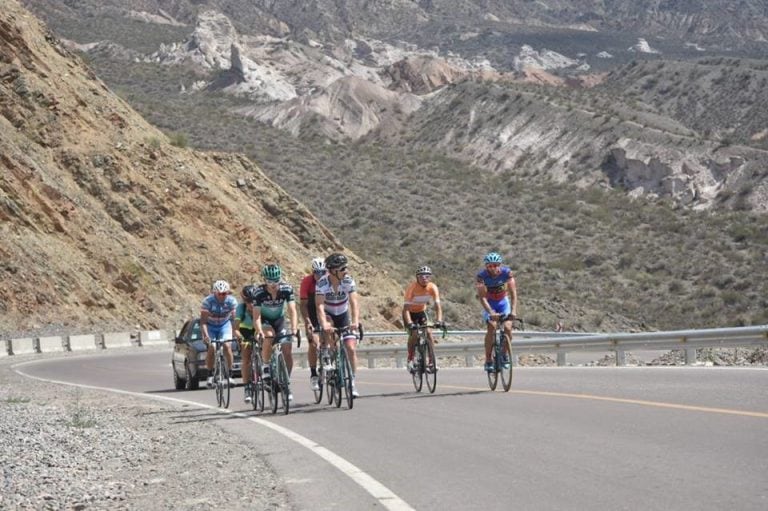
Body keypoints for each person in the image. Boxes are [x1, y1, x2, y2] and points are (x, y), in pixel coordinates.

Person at [247, 264, 299, 401]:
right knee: (268, 336)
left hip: (279, 320)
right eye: (270, 281)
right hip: (264, 321)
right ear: (264, 280)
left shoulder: (286, 289)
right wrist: (259, 331)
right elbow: (256, 315)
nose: (273, 284)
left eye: (276, 281)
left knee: (287, 347)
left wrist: (294, 328)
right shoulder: (259, 293)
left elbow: (293, 310)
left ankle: (286, 382)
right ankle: (265, 365)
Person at [315, 252, 361, 397]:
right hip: (328, 314)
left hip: (343, 314)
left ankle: (351, 382)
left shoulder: (348, 281)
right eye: (342, 269)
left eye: (346, 267)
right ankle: (328, 356)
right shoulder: (322, 283)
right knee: (329, 330)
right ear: (333, 271)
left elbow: (354, 303)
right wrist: (324, 324)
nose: (345, 271)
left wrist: (355, 321)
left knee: (351, 349)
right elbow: (320, 306)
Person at [475, 252, 518, 372]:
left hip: (503, 302)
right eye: (489, 266)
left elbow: (513, 293)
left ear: (499, 265)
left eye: (495, 265)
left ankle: (504, 354)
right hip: (489, 303)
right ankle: (488, 359)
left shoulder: (506, 273)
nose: (492, 268)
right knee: (492, 327)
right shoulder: (481, 276)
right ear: (486, 267)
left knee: (508, 327)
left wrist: (513, 310)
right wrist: (490, 312)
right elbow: (482, 297)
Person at [402, 265, 444, 373]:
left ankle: (431, 361)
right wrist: (410, 323)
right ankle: (410, 359)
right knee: (414, 333)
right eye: (421, 276)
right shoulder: (412, 288)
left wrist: (439, 320)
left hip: (421, 312)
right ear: (417, 278)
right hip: (409, 313)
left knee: (429, 332)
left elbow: (438, 307)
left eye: (427, 276)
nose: (424, 278)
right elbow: (406, 309)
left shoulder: (432, 287)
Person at [200, 280, 241, 388]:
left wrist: (236, 333)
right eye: (220, 294)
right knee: (212, 347)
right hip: (210, 326)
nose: (222, 296)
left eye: (225, 293)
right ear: (214, 293)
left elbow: (235, 319)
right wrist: (206, 336)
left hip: (224, 325)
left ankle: (230, 374)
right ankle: (209, 374)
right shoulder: (207, 302)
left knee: (227, 346)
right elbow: (203, 322)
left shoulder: (232, 301)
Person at [300, 257, 326, 392]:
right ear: (313, 272)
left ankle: (331, 360)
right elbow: (303, 306)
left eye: (322, 272)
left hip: (324, 311)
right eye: (317, 272)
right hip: (311, 311)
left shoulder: (329, 281)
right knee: (313, 343)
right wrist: (307, 321)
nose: (319, 275)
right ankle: (314, 374)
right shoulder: (307, 282)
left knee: (332, 337)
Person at [235, 284, 257, 403]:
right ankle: (247, 387)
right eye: (249, 301)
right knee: (246, 358)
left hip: (257, 329)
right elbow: (236, 329)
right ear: (244, 300)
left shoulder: (260, 306)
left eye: (254, 301)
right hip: (245, 331)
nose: (252, 304)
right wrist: (240, 337)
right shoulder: (241, 308)